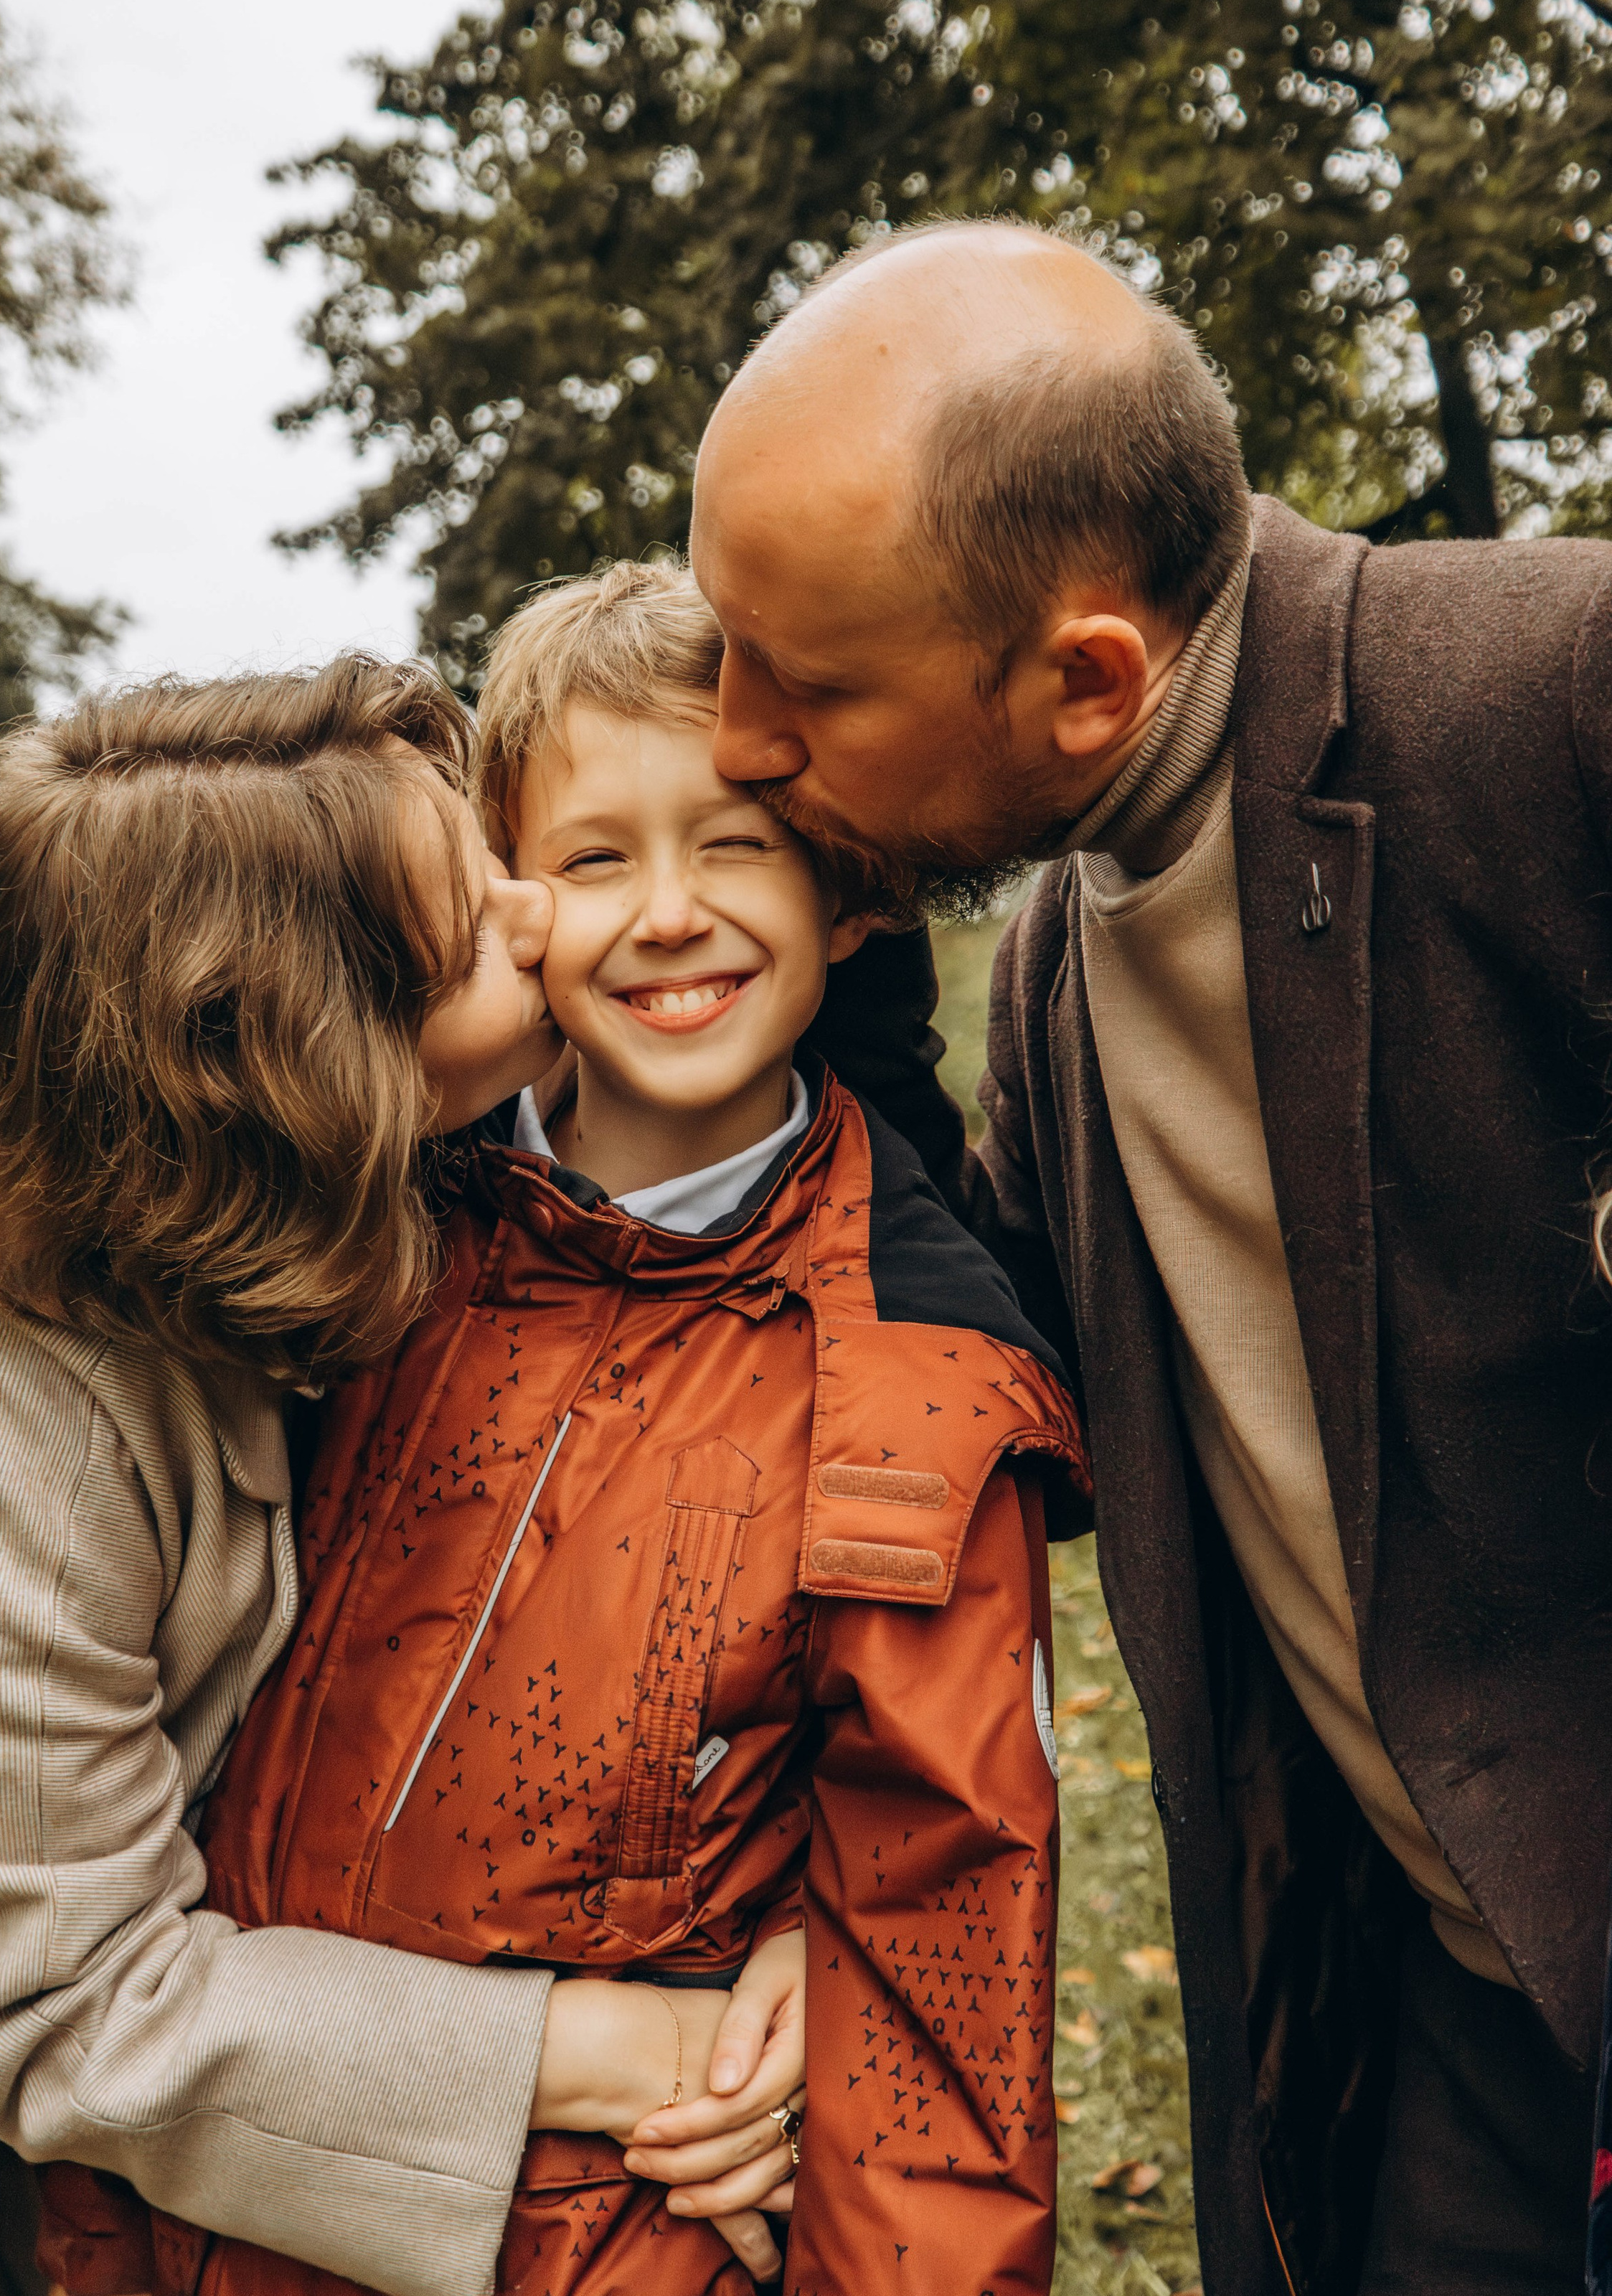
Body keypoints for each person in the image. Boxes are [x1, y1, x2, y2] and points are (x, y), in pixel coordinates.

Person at [689, 220, 1612, 2296]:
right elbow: (1028, 1392)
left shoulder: (1553, 690)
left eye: (807, 683)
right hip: (1434, 2018)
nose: (740, 737)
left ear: (1088, 678)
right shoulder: (1053, 956)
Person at [34, 562, 1088, 2296]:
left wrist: (815, 1954)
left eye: (734, 844)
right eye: (594, 859)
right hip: (200, 2180)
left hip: (596, 2238)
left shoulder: (918, 1396)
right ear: (503, 899)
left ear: (847, 898)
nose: (666, 912)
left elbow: (936, 1983)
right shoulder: (337, 1238)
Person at [0, 657, 806, 2296]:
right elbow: (73, 2003)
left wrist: (811, 1913)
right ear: (309, 1062)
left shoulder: (281, 1172)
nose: (542, 911)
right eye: (475, 928)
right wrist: (638, 2052)